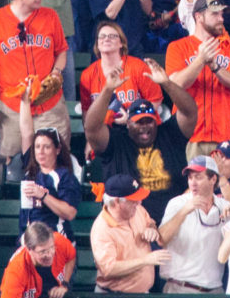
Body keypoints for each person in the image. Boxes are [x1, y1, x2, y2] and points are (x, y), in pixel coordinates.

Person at [0, 0, 69, 159]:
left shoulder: (50, 16)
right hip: (12, 104)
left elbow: (61, 52)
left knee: (57, 157)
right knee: (16, 160)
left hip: (48, 101)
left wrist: (56, 72)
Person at [84, 72, 198, 223]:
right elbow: (91, 128)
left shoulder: (169, 135)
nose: (144, 127)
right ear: (128, 123)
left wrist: (166, 83)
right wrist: (107, 90)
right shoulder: (116, 142)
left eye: (148, 121)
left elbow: (190, 112)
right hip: (129, 224)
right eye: (139, 122)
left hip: (174, 223)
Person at [166, 0, 230, 156]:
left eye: (222, 14)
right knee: (192, 181)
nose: (221, 19)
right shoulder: (178, 47)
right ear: (198, 16)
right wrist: (200, 61)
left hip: (226, 135)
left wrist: (215, 67)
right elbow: (175, 85)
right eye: (215, 14)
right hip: (190, 136)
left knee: (229, 181)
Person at [158, 155, 230, 294]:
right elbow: (161, 239)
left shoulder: (225, 206)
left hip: (215, 290)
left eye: (198, 177)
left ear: (213, 179)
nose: (192, 182)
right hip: (181, 289)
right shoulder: (177, 203)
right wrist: (184, 211)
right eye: (190, 178)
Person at [91, 173, 168, 295]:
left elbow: (150, 222)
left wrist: (151, 229)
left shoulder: (137, 210)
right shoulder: (102, 228)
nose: (140, 203)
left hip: (142, 295)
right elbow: (109, 269)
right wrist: (145, 260)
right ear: (116, 202)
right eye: (133, 200)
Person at [16, 92, 81, 235]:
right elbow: (26, 131)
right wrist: (25, 101)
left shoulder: (64, 176)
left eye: (47, 147)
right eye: (38, 147)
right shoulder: (31, 167)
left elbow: (70, 213)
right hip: (27, 239)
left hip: (54, 239)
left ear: (57, 150)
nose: (41, 151)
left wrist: (43, 196)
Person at [77, 19, 162, 124]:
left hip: (138, 127)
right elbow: (87, 113)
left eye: (112, 36)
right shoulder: (88, 74)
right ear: (97, 45)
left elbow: (155, 100)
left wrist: (131, 119)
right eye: (102, 36)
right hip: (104, 130)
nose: (106, 39)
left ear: (121, 43)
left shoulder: (137, 66)